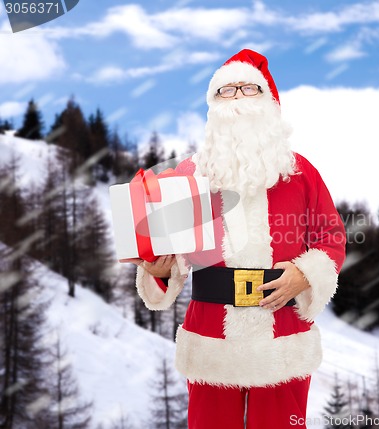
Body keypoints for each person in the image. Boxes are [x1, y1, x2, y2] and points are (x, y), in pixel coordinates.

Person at [133, 49, 346, 429]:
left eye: (248, 88)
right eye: (226, 91)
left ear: (268, 100)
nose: (238, 99)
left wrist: (305, 274)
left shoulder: (300, 172)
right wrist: (158, 269)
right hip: (211, 337)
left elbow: (331, 236)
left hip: (284, 336)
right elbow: (170, 257)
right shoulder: (188, 175)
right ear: (213, 106)